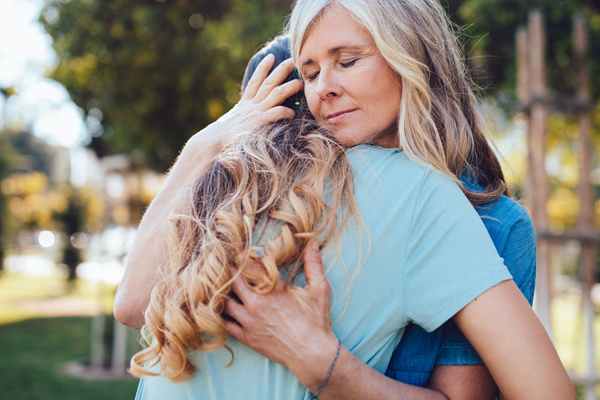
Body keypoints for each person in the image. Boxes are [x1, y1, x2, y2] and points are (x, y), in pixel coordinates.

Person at [114, 1, 576, 399]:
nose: (322, 89)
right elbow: (133, 305)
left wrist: (320, 362)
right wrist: (209, 142)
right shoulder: (258, 196)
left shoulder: (471, 215)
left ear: (412, 58)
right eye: (309, 72)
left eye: (348, 60)